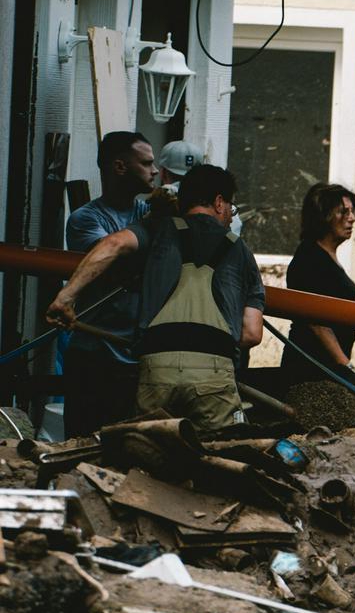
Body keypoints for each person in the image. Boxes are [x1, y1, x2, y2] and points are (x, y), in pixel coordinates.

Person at [47, 164, 264, 430]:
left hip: (156, 366)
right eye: (231, 207)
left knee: (149, 450)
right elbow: (252, 333)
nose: (231, 216)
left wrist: (65, 298)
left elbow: (113, 245)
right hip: (214, 368)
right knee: (217, 453)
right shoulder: (242, 252)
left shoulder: (158, 229)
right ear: (219, 202)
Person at [60, 131, 157, 435]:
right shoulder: (85, 219)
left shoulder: (150, 213)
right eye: (146, 163)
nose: (154, 170)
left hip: (138, 354)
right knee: (83, 443)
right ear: (120, 167)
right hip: (95, 353)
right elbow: (115, 261)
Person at [279, 183, 355, 389]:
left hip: (326, 368)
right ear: (323, 216)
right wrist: (345, 365)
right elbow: (316, 322)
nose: (351, 218)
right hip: (311, 369)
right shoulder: (310, 258)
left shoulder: (326, 257)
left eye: (352, 211)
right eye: (343, 212)